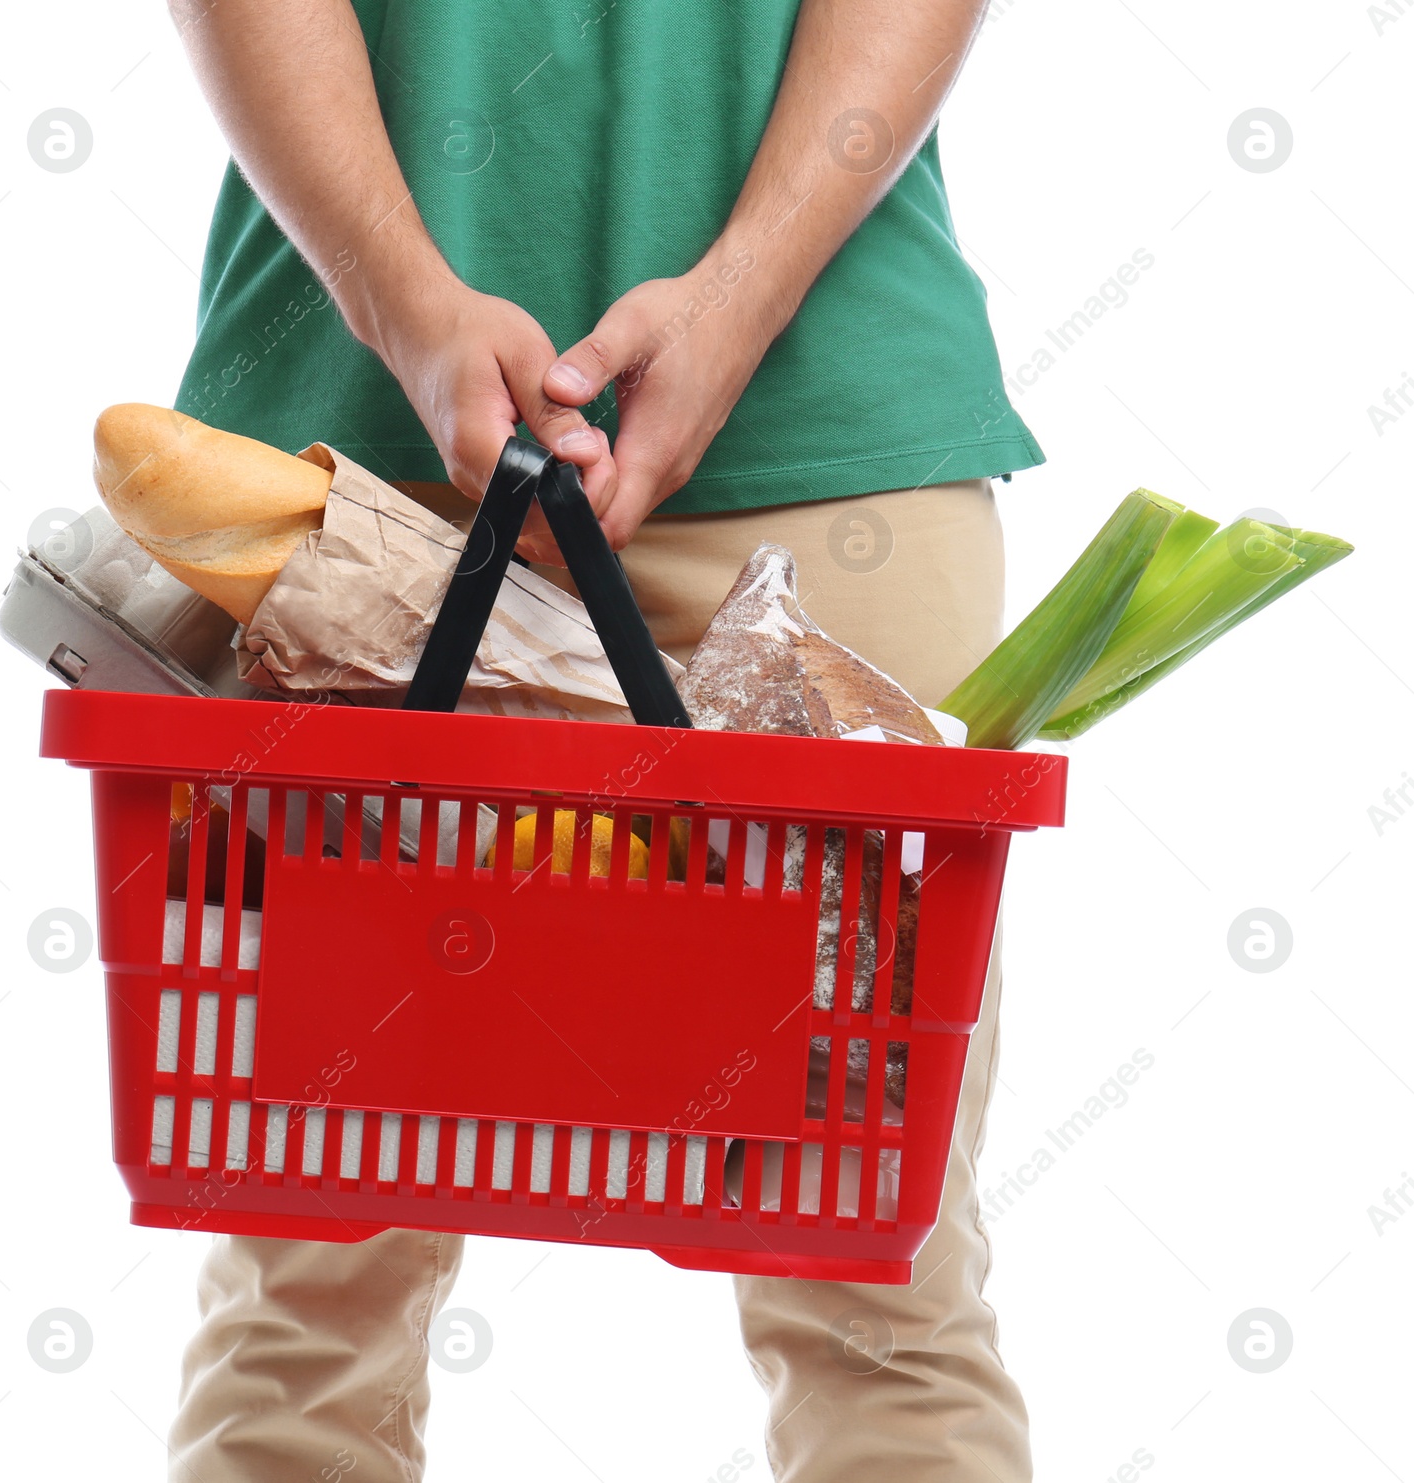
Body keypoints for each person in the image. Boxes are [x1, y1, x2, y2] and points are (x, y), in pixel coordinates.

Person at [166, 1, 1043, 1478]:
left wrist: (745, 291)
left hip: (821, 453)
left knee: (874, 1272)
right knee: (308, 1280)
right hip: (349, 473)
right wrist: (401, 301)